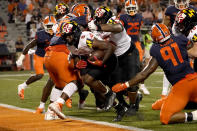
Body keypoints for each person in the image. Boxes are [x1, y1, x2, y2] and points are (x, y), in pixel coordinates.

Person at [112, 23, 197, 124]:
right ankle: (166, 101)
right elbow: (192, 49)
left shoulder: (156, 49)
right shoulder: (180, 39)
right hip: (194, 79)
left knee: (165, 118)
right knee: (155, 106)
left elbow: (145, 73)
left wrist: (125, 84)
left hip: (181, 87)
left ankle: (194, 116)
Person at [45, 20, 116, 120]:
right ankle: (113, 101)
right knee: (86, 80)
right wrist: (77, 63)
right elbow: (76, 55)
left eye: (70, 35)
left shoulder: (85, 38)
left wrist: (102, 62)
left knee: (107, 84)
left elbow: (109, 47)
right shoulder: (70, 44)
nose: (68, 38)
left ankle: (115, 97)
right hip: (90, 60)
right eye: (66, 36)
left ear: (76, 33)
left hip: (106, 59)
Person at [88, 5, 142, 121]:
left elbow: (118, 27)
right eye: (97, 19)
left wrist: (99, 27)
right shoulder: (95, 24)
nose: (98, 21)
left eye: (100, 19)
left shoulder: (113, 21)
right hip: (114, 58)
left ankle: (133, 104)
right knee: (115, 86)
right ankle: (124, 105)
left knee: (132, 83)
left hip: (128, 54)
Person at [154, 0, 197, 109]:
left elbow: (195, 52)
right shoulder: (181, 27)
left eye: (182, 24)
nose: (179, 27)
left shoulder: (194, 32)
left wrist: (179, 52)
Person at [16, 16, 56, 114]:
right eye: (48, 26)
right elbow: (29, 45)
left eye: (52, 25)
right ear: (44, 25)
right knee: (39, 75)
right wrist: (21, 58)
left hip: (52, 57)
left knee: (57, 77)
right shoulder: (41, 34)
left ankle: (66, 98)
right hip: (40, 56)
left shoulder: (59, 33)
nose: (50, 28)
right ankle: (22, 86)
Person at [120, 0, 150, 95]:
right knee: (125, 65)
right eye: (129, 9)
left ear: (136, 8)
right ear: (126, 9)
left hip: (136, 42)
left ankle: (142, 84)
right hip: (126, 43)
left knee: (141, 63)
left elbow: (140, 31)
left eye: (133, 8)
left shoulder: (140, 17)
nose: (132, 10)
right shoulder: (122, 17)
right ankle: (126, 85)